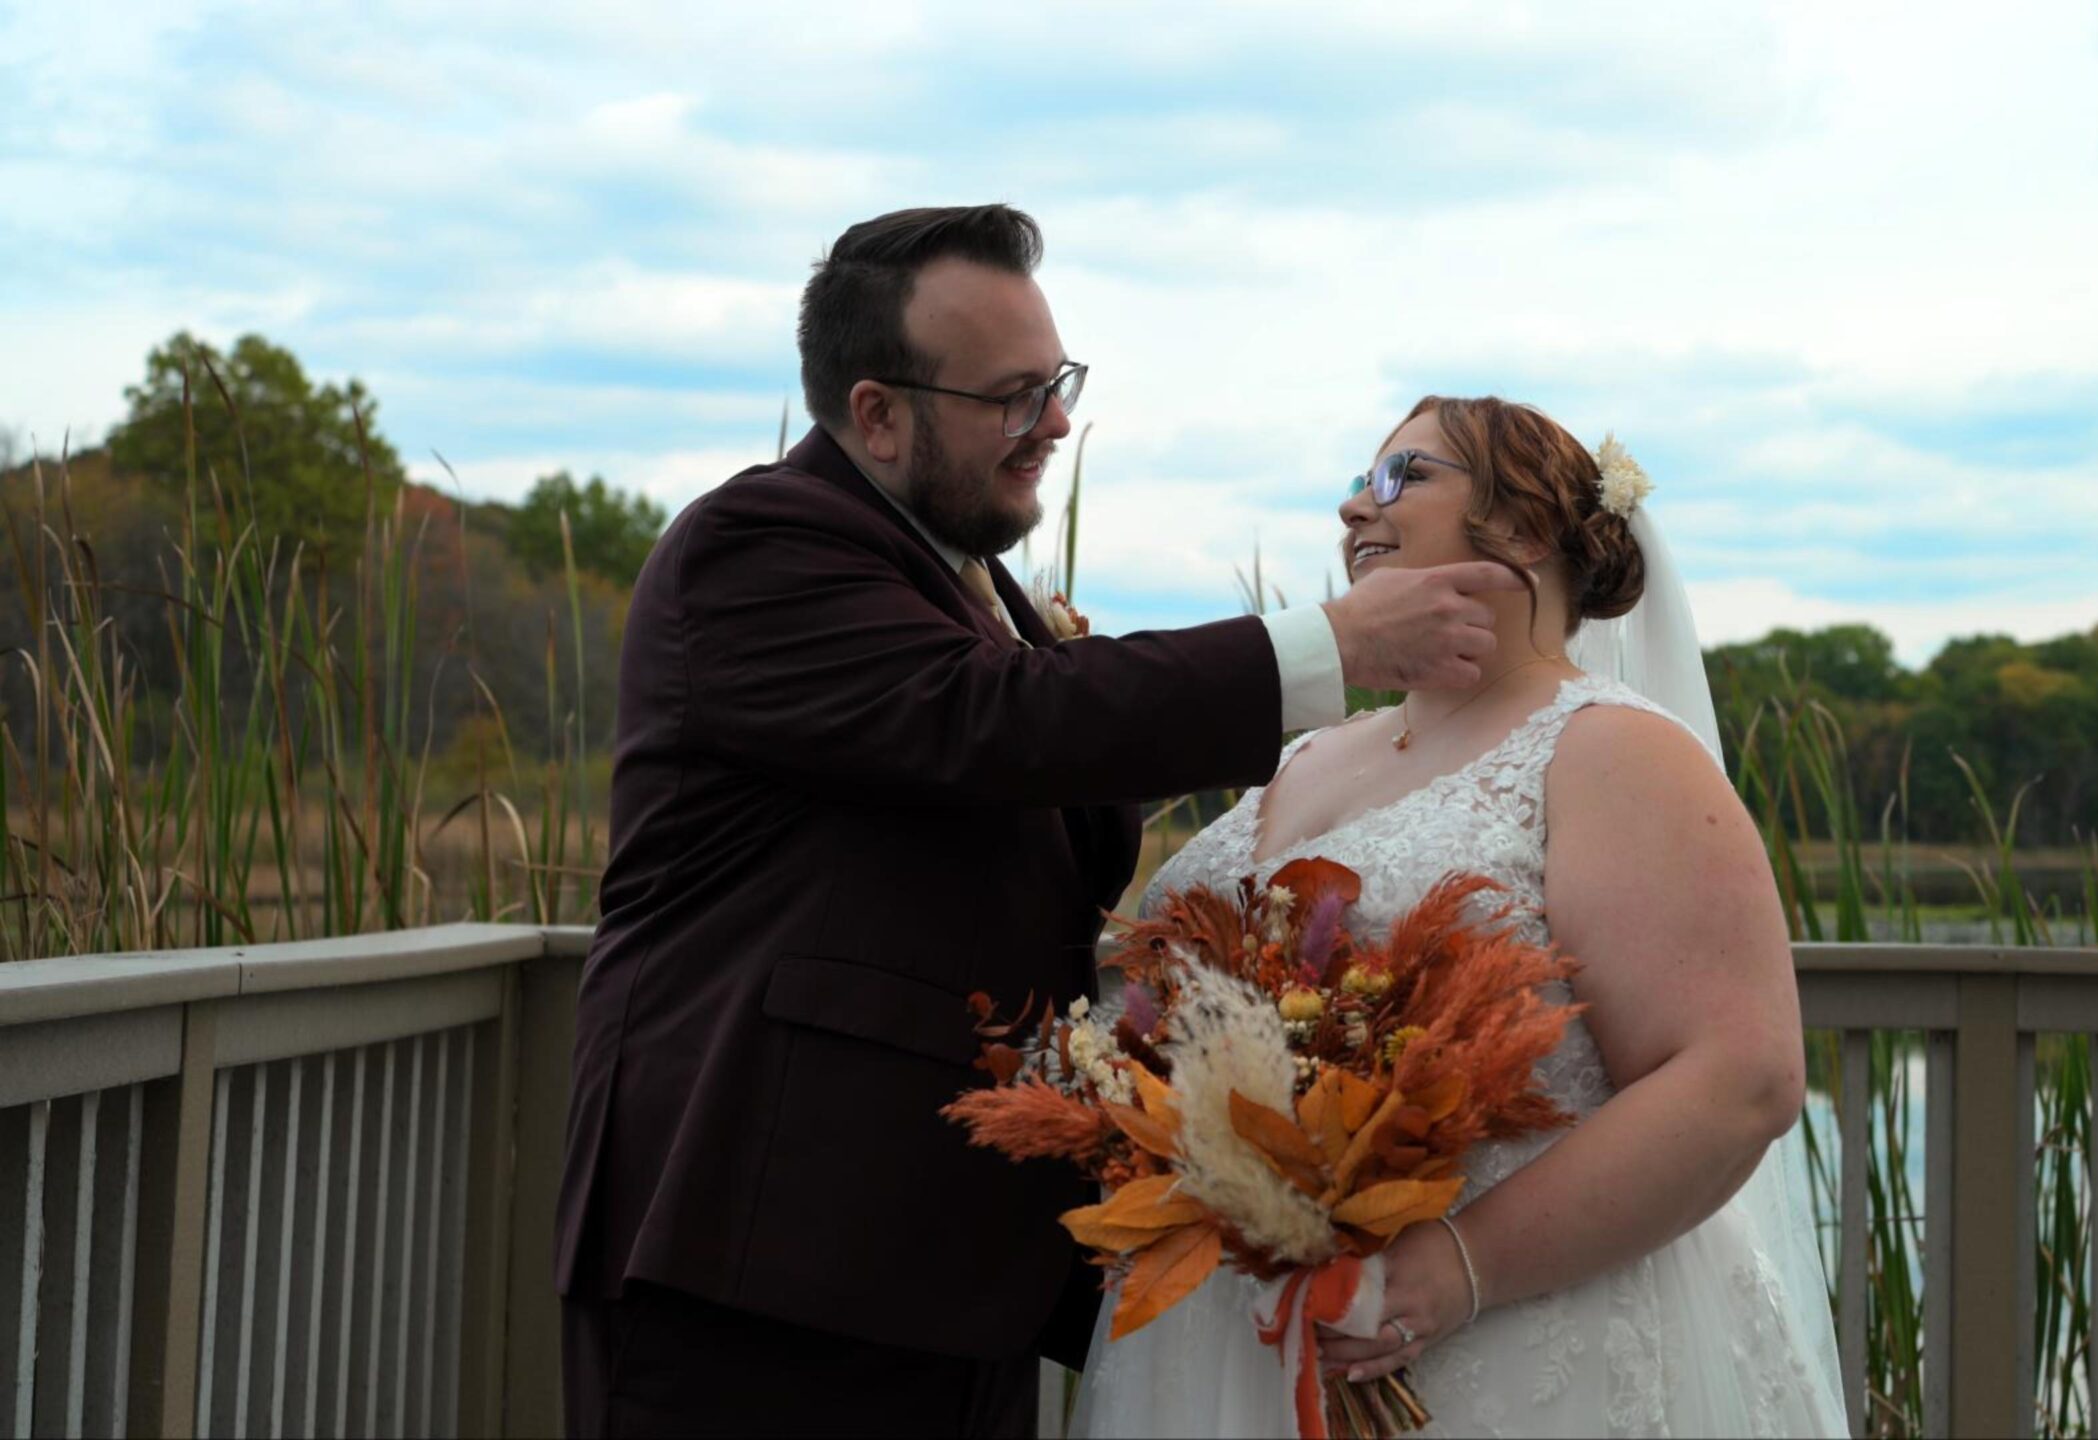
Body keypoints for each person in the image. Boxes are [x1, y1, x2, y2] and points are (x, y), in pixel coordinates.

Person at [551, 205, 1524, 1438]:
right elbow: (994, 721)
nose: (1055, 422)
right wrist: (1332, 644)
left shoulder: (963, 576)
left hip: (939, 1270)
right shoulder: (754, 551)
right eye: (1013, 396)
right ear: (877, 414)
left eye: (1056, 384)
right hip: (765, 1256)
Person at [1071, 397, 1848, 1438]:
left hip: (1500, 1345)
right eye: (1357, 480)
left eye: (1402, 477)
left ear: (1526, 528)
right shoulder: (1306, 754)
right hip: (1223, 1335)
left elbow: (1737, 1076)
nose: (1354, 508)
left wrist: (1451, 1270)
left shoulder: (1614, 751)